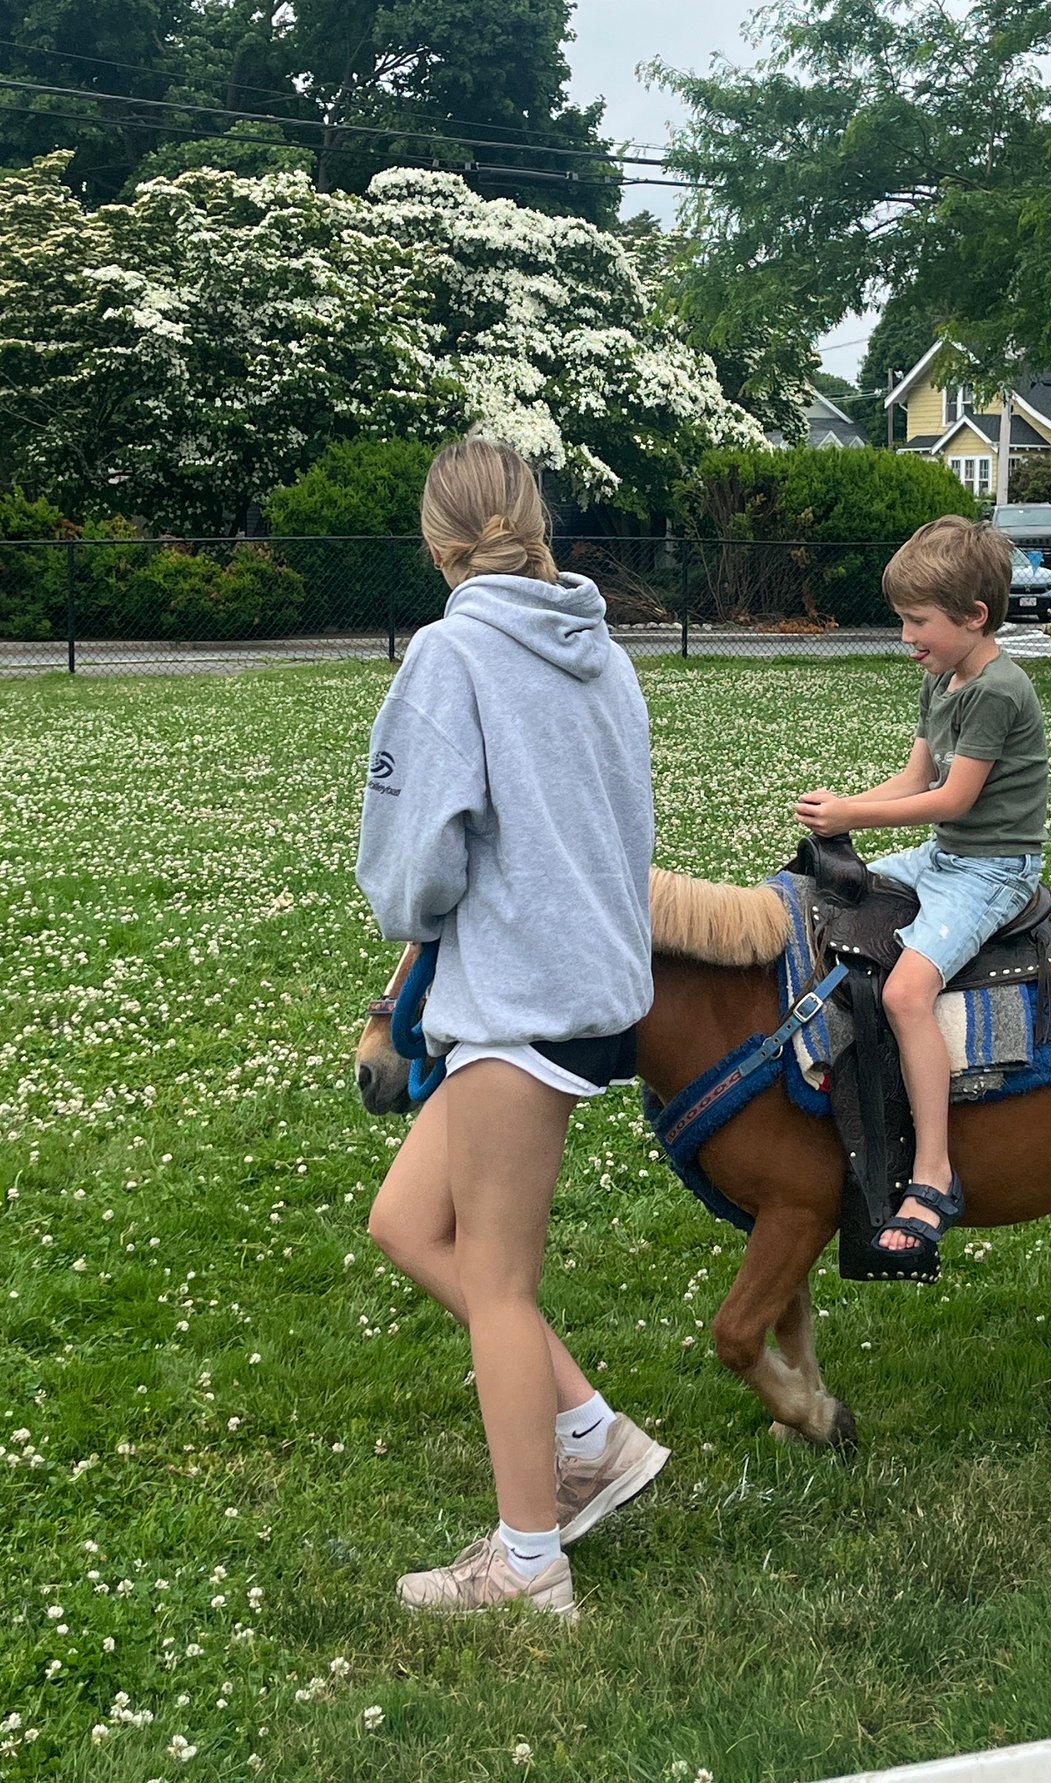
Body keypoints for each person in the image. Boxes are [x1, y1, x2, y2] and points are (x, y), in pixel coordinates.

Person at [356, 438, 668, 1615]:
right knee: (404, 1222)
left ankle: (529, 1564)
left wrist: (416, 922)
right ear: (533, 526)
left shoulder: (450, 652)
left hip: (516, 1000)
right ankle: (590, 1434)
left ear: (440, 548)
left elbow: (410, 870)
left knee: (496, 1279)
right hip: (591, 989)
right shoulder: (606, 654)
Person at [794, 516, 1047, 1277]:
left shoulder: (1001, 688)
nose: (907, 636)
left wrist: (853, 817)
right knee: (811, 889)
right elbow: (912, 780)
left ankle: (933, 1170)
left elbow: (953, 799)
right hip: (944, 855)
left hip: (991, 869)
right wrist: (838, 818)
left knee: (908, 991)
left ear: (974, 617)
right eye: (903, 619)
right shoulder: (942, 676)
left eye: (918, 622)